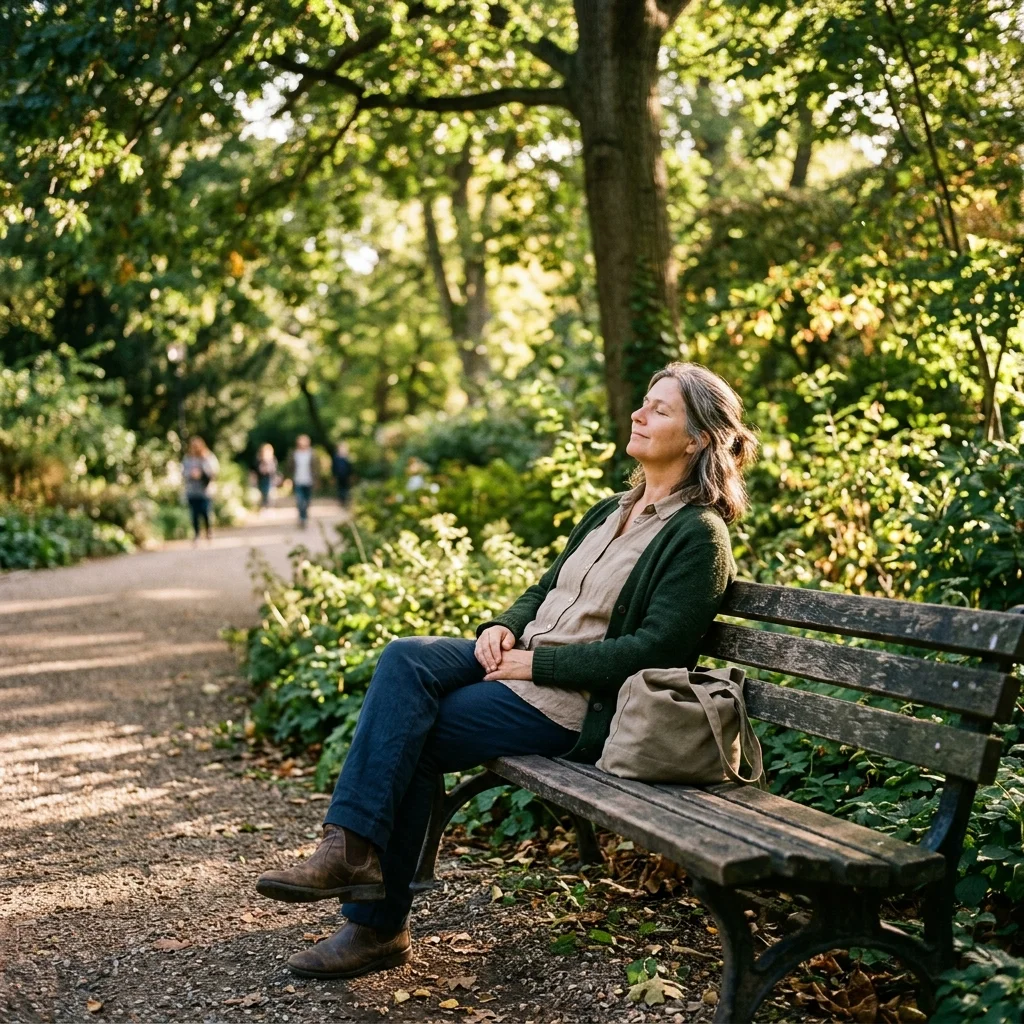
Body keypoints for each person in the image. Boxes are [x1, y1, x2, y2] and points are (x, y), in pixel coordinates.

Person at [255, 362, 758, 980]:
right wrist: (503, 626)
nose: (639, 414)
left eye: (659, 409)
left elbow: (656, 652)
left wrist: (538, 661)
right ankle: (346, 851)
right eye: (643, 402)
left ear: (700, 438)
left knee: (414, 737)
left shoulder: (698, 535)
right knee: (404, 656)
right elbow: (545, 587)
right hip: (519, 661)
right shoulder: (611, 510)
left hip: (568, 703)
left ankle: (375, 925)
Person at [182, 436, 219, 544]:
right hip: (192, 491)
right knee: (194, 514)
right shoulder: (187, 458)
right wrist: (191, 474)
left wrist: (201, 473)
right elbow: (183, 472)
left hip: (205, 491)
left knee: (206, 512)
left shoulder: (208, 457)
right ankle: (196, 534)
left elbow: (214, 471)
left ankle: (208, 531)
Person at [287, 434, 317, 528]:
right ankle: (302, 518)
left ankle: (305, 515)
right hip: (298, 480)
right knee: (300, 501)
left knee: (307, 501)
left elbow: (316, 468)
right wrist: (288, 478)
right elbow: (289, 467)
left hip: (309, 481)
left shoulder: (312, 454)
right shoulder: (294, 454)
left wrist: (316, 479)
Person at [255, 443, 278, 510]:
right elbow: (256, 469)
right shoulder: (259, 460)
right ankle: (264, 507)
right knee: (263, 495)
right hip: (262, 480)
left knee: (270, 495)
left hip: (270, 480)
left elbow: (274, 470)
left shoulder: (273, 460)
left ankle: (269, 507)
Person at [331, 442, 353, 508]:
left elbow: (350, 467)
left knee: (345, 488)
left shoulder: (347, 457)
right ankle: (341, 500)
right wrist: (334, 475)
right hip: (339, 475)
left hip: (346, 475)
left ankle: (345, 500)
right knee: (340, 488)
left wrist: (351, 475)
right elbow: (334, 467)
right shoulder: (336, 457)